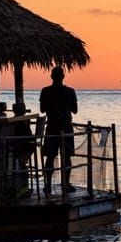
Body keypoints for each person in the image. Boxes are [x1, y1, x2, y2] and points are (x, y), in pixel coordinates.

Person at [39, 66, 78, 198]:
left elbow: (42, 109)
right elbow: (75, 110)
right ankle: (65, 184)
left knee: (50, 157)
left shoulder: (45, 91)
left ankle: (48, 185)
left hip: (51, 127)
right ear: (63, 77)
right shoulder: (70, 91)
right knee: (66, 157)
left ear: (51, 77)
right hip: (66, 127)